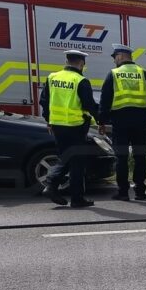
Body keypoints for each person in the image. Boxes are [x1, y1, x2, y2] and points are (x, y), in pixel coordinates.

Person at [39, 49, 99, 208]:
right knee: (77, 163)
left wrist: (49, 121)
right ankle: (74, 197)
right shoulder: (80, 80)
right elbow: (89, 105)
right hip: (76, 126)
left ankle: (53, 186)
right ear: (81, 63)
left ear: (66, 62)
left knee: (66, 157)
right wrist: (101, 119)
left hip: (57, 126)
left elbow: (44, 101)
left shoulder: (52, 77)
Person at [100, 43, 146, 200]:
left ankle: (123, 192)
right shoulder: (144, 73)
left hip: (120, 119)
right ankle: (140, 191)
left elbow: (105, 100)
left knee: (121, 156)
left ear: (121, 56)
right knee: (140, 156)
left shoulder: (114, 74)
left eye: (115, 57)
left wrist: (102, 121)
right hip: (140, 119)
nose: (114, 61)